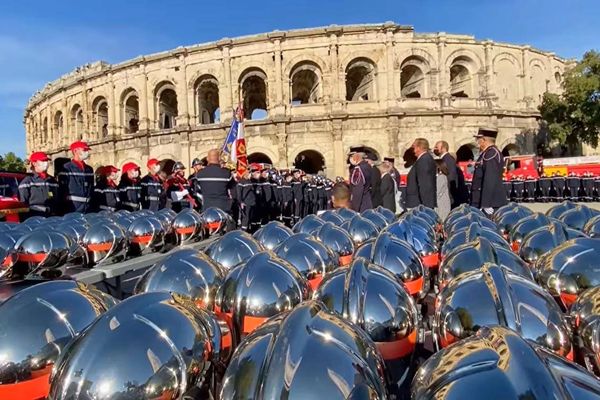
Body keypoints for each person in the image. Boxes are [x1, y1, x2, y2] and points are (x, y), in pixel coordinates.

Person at [470, 128, 508, 215]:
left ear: (484, 140)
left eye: (478, 139)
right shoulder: (487, 153)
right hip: (481, 199)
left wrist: (486, 203)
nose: (477, 142)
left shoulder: (491, 154)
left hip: (490, 202)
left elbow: (490, 179)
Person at [58, 140, 94, 213]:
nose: (87, 152)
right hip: (72, 207)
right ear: (75, 151)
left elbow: (91, 187)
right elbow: (62, 190)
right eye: (84, 150)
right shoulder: (67, 168)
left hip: (87, 207)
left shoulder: (89, 169)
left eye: (87, 150)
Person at [18, 151, 58, 217]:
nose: (46, 163)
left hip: (51, 216)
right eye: (43, 161)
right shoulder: (27, 182)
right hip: (34, 216)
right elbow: (23, 204)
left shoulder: (52, 180)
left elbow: (57, 200)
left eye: (47, 160)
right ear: (34, 163)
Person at [434, 140, 468, 208]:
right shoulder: (445, 159)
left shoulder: (448, 159)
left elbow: (451, 178)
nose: (434, 149)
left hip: (449, 197)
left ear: (443, 148)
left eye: (436, 147)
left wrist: (448, 195)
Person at [406, 138, 437, 209]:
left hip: (419, 203)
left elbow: (425, 184)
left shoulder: (424, 160)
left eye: (414, 147)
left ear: (419, 148)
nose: (413, 150)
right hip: (418, 202)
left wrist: (426, 207)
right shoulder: (424, 159)